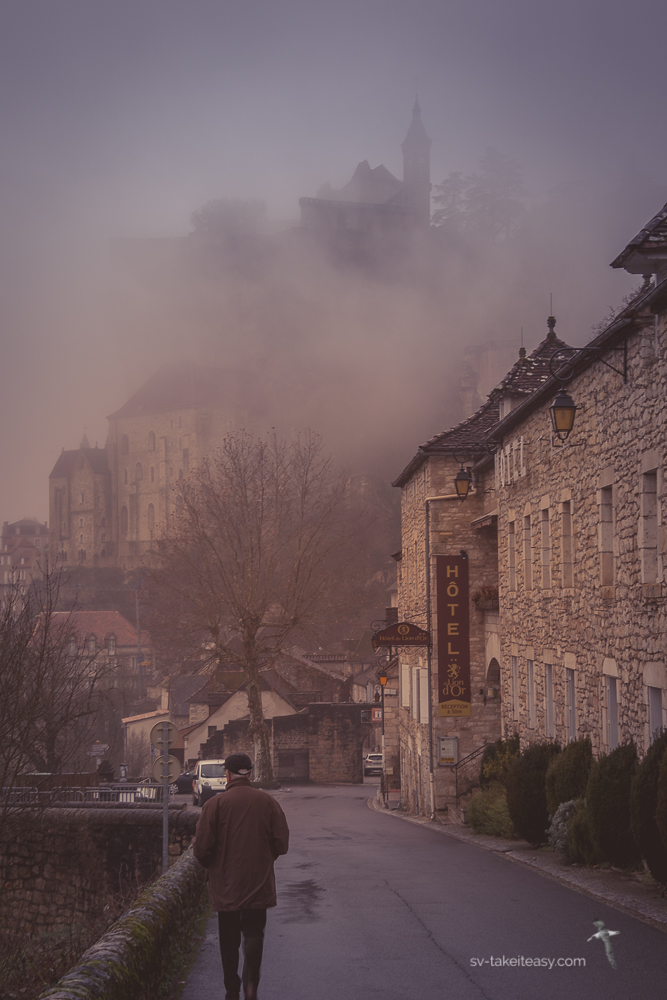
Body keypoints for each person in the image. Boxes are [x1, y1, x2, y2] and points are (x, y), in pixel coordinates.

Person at [193, 752, 290, 1000]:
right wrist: (265, 859)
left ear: (227, 774)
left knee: (228, 939)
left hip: (226, 885)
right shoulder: (268, 802)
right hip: (258, 882)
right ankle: (251, 984)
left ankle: (232, 988)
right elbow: (281, 844)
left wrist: (214, 866)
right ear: (250, 773)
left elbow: (202, 849)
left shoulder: (214, 805)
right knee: (254, 933)